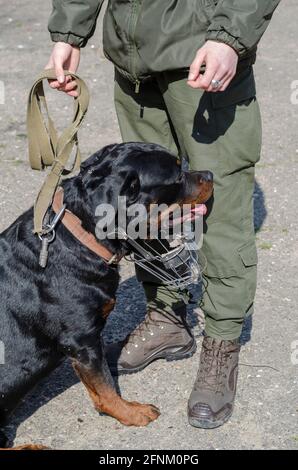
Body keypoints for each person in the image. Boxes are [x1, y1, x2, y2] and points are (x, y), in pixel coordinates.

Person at [45, 0, 280, 429]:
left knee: (215, 206)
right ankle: (167, 317)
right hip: (134, 60)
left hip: (204, 46)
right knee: (143, 210)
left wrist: (230, 37)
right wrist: (69, 30)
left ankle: (223, 341)